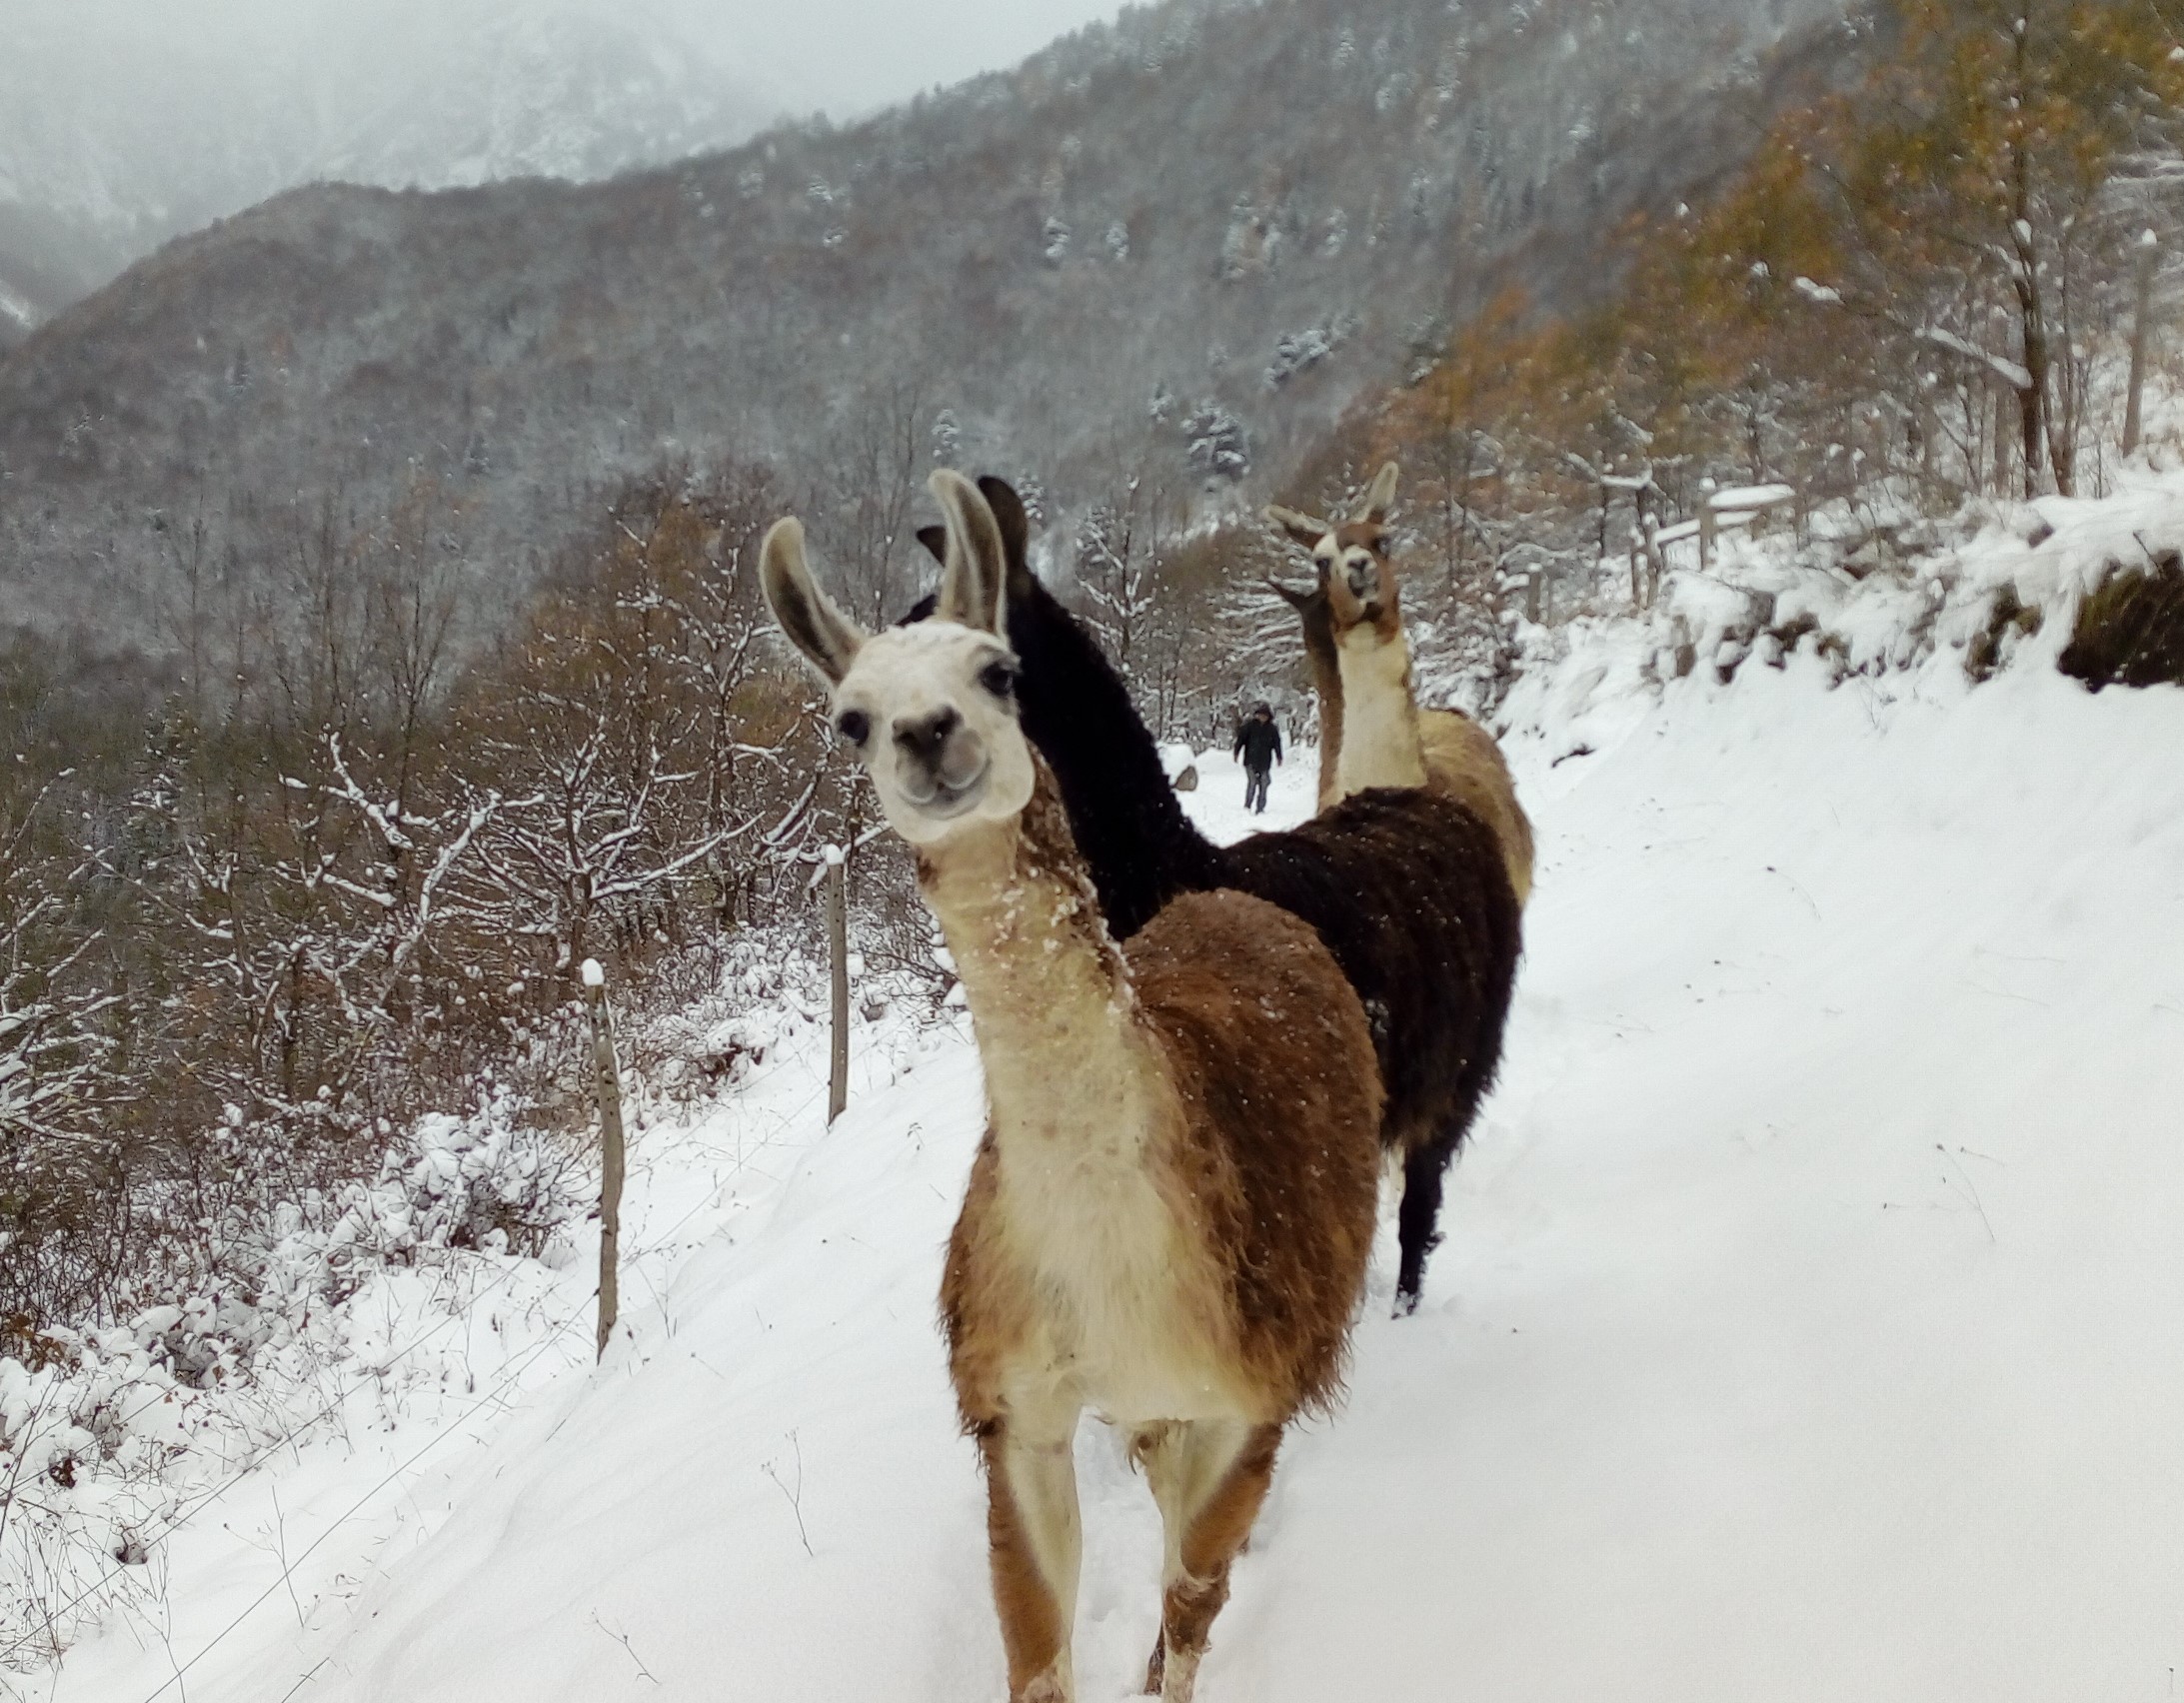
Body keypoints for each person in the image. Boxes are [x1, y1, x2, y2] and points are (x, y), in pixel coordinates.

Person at [1232, 701, 1282, 815]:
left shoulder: (1272, 729)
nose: (1262, 717)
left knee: (1264, 784)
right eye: (1260, 715)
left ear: (1268, 716)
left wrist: (1279, 757)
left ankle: (1260, 807)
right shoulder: (1249, 727)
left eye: (1265, 715)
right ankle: (1248, 805)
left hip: (1265, 761)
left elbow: (1277, 744)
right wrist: (1236, 753)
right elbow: (1241, 740)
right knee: (1252, 783)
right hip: (1250, 760)